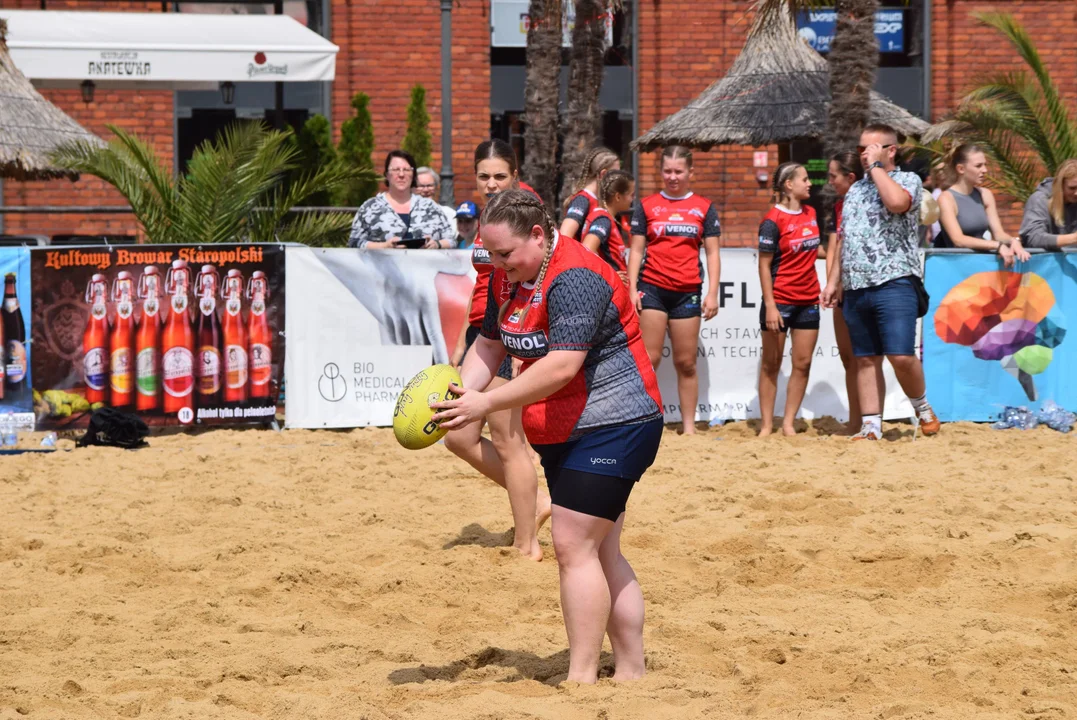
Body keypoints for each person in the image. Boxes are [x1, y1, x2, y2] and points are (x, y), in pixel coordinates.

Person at [431, 189, 664, 684]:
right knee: (602, 550)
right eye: (490, 255)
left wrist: (486, 402)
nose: (496, 265)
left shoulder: (575, 274)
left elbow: (562, 365)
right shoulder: (505, 275)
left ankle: (580, 678)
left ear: (538, 235)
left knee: (572, 543)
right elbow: (490, 346)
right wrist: (456, 397)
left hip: (617, 423)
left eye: (506, 254)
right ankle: (631, 670)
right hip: (566, 429)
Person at [443, 139, 549, 562]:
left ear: (515, 174)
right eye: (484, 176)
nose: (490, 183)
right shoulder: (490, 216)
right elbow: (485, 284)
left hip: (515, 329)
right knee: (459, 437)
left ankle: (527, 543)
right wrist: (462, 340)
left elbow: (539, 271)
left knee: (508, 440)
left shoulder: (526, 211)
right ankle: (536, 503)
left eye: (499, 176)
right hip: (485, 331)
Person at [821, 123, 940, 441]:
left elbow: (897, 204)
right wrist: (834, 281)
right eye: (861, 149)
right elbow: (846, 240)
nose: (864, 154)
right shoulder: (856, 190)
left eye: (871, 148)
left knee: (900, 355)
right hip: (856, 285)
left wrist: (876, 168)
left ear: (891, 150)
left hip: (895, 280)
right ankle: (871, 424)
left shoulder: (908, 180)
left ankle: (923, 406)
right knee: (865, 358)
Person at [628, 145, 721, 435]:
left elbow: (714, 254)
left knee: (686, 362)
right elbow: (636, 250)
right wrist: (631, 288)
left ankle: (689, 427)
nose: (672, 177)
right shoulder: (647, 206)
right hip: (652, 288)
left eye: (678, 171)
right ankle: (641, 422)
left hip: (687, 292)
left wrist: (712, 292)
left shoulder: (704, 207)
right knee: (649, 359)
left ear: (690, 173)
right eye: (667, 171)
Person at [758, 162, 821, 437]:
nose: (810, 184)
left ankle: (788, 423)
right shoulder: (772, 221)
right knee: (772, 364)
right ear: (789, 185)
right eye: (804, 179)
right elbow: (763, 265)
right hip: (780, 300)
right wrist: (770, 305)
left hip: (809, 298)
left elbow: (813, 249)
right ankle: (766, 426)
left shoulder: (811, 213)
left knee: (803, 363)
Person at [934, 144, 1031, 266]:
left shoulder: (985, 194)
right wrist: (997, 246)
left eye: (985, 165)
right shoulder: (946, 199)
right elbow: (958, 240)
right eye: (978, 166)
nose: (984, 170)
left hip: (980, 266)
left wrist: (1013, 241)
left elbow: (998, 234)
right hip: (956, 269)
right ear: (961, 169)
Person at [824, 151, 864, 433]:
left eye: (833, 176)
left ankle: (870, 418)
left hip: (864, 285)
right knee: (848, 358)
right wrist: (832, 283)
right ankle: (856, 421)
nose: (829, 182)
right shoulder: (839, 206)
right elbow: (835, 247)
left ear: (850, 177)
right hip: (843, 287)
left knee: (866, 358)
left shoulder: (868, 203)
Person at [349, 151, 453, 249]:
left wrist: (437, 244)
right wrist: (383, 246)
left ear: (413, 175)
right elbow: (354, 242)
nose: (401, 175)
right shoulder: (369, 208)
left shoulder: (430, 207)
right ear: (387, 175)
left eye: (407, 170)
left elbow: (451, 240)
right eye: (396, 170)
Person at [580, 169, 635, 284]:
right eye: (631, 195)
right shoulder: (603, 220)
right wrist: (608, 274)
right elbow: (587, 247)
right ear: (618, 197)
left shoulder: (603, 216)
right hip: (609, 292)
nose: (633, 199)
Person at [560, 147, 621, 240]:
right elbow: (564, 236)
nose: (619, 179)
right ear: (603, 174)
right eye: (616, 174)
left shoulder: (597, 200)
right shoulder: (582, 200)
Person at [1019, 158, 1077, 249]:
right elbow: (1033, 238)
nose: (1076, 193)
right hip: (1044, 261)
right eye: (1072, 188)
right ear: (1060, 185)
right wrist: (1073, 238)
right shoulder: (1040, 200)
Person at [417, 166, 459, 238]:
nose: (426, 190)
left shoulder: (449, 213)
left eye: (430, 185)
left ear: (436, 187)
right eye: (421, 186)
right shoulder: (408, 214)